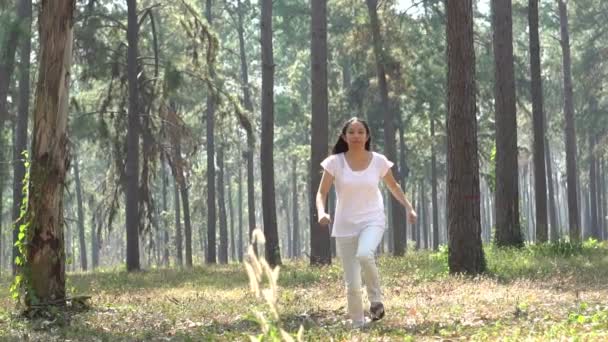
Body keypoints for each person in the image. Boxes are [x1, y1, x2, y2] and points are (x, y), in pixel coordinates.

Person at [316, 117, 417, 328]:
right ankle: (358, 324)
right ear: (344, 136)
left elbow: (394, 186)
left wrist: (409, 207)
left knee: (364, 253)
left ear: (367, 136)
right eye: (351, 132)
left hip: (373, 219)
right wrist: (321, 212)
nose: (356, 136)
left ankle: (375, 299)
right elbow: (322, 192)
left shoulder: (378, 161)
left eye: (360, 131)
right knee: (352, 284)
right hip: (345, 226)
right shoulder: (335, 162)